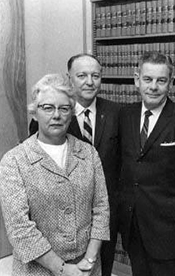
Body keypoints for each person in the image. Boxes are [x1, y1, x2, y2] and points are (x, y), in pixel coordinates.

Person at [0, 74, 110, 276]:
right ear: (35, 113)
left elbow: (101, 208)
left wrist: (90, 259)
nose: (56, 115)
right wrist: (62, 268)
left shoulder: (88, 154)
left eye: (64, 108)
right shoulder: (14, 161)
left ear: (71, 113)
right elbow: (20, 229)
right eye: (48, 108)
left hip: (87, 268)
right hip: (37, 270)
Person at [118, 51, 175, 276]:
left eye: (161, 81)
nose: (153, 87)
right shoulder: (125, 116)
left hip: (172, 235)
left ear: (171, 83)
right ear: (136, 79)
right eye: (148, 79)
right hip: (134, 229)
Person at [29, 54, 121, 276]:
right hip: (59, 220)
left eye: (95, 76)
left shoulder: (119, 113)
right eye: (82, 75)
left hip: (104, 215)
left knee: (100, 270)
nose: (90, 82)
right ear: (69, 78)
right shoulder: (49, 118)